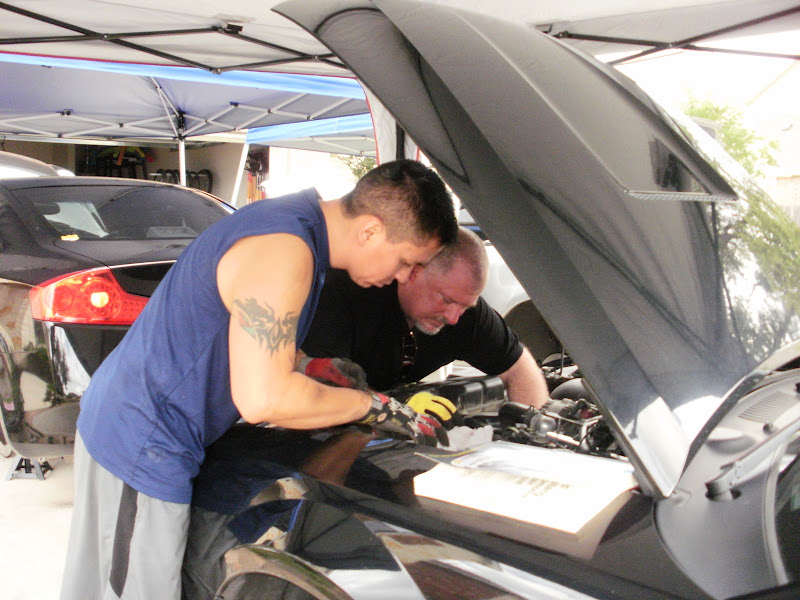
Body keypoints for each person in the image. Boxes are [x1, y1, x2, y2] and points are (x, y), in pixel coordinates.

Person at [59, 158, 458, 600]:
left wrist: (308, 367)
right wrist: (373, 406)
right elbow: (265, 399)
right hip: (140, 440)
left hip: (135, 423)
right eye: (405, 261)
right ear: (370, 231)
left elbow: (251, 334)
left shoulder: (295, 225)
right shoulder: (284, 253)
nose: (402, 277)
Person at [301, 227, 550, 410]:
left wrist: (531, 431)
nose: (454, 318)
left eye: (465, 306)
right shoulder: (346, 296)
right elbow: (321, 393)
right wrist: (391, 411)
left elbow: (519, 368)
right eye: (447, 300)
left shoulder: (464, 311)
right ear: (412, 272)